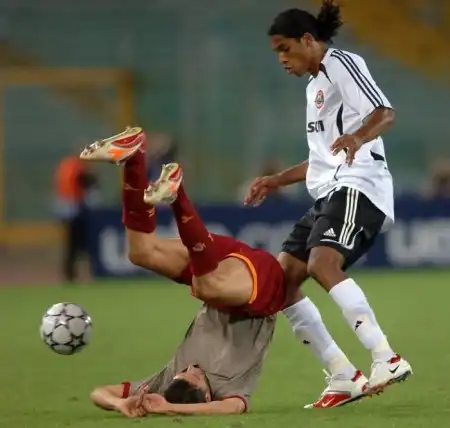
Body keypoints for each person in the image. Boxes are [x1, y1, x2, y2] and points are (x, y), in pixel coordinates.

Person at [244, 0, 412, 408]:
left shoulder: (341, 63)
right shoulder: (314, 88)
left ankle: (386, 357)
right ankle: (342, 374)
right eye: (276, 52)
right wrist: (276, 179)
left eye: (285, 49)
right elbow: (322, 160)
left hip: (360, 184)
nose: (281, 59)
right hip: (331, 190)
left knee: (322, 263)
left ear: (307, 40)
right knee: (281, 280)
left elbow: (385, 112)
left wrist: (358, 137)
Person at [81, 127, 286, 417]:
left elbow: (98, 393)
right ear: (207, 394)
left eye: (184, 373)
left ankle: (134, 157)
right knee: (205, 287)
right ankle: (177, 196)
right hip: (261, 292)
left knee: (141, 253)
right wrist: (172, 409)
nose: (191, 369)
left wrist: (120, 403)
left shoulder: (167, 381)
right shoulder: (229, 389)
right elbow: (234, 407)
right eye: (196, 376)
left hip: (213, 268)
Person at [54, 150, 98, 282]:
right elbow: (87, 183)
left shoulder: (66, 166)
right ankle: (79, 273)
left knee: (72, 245)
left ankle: (71, 274)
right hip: (76, 211)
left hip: (68, 210)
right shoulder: (78, 169)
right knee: (79, 244)